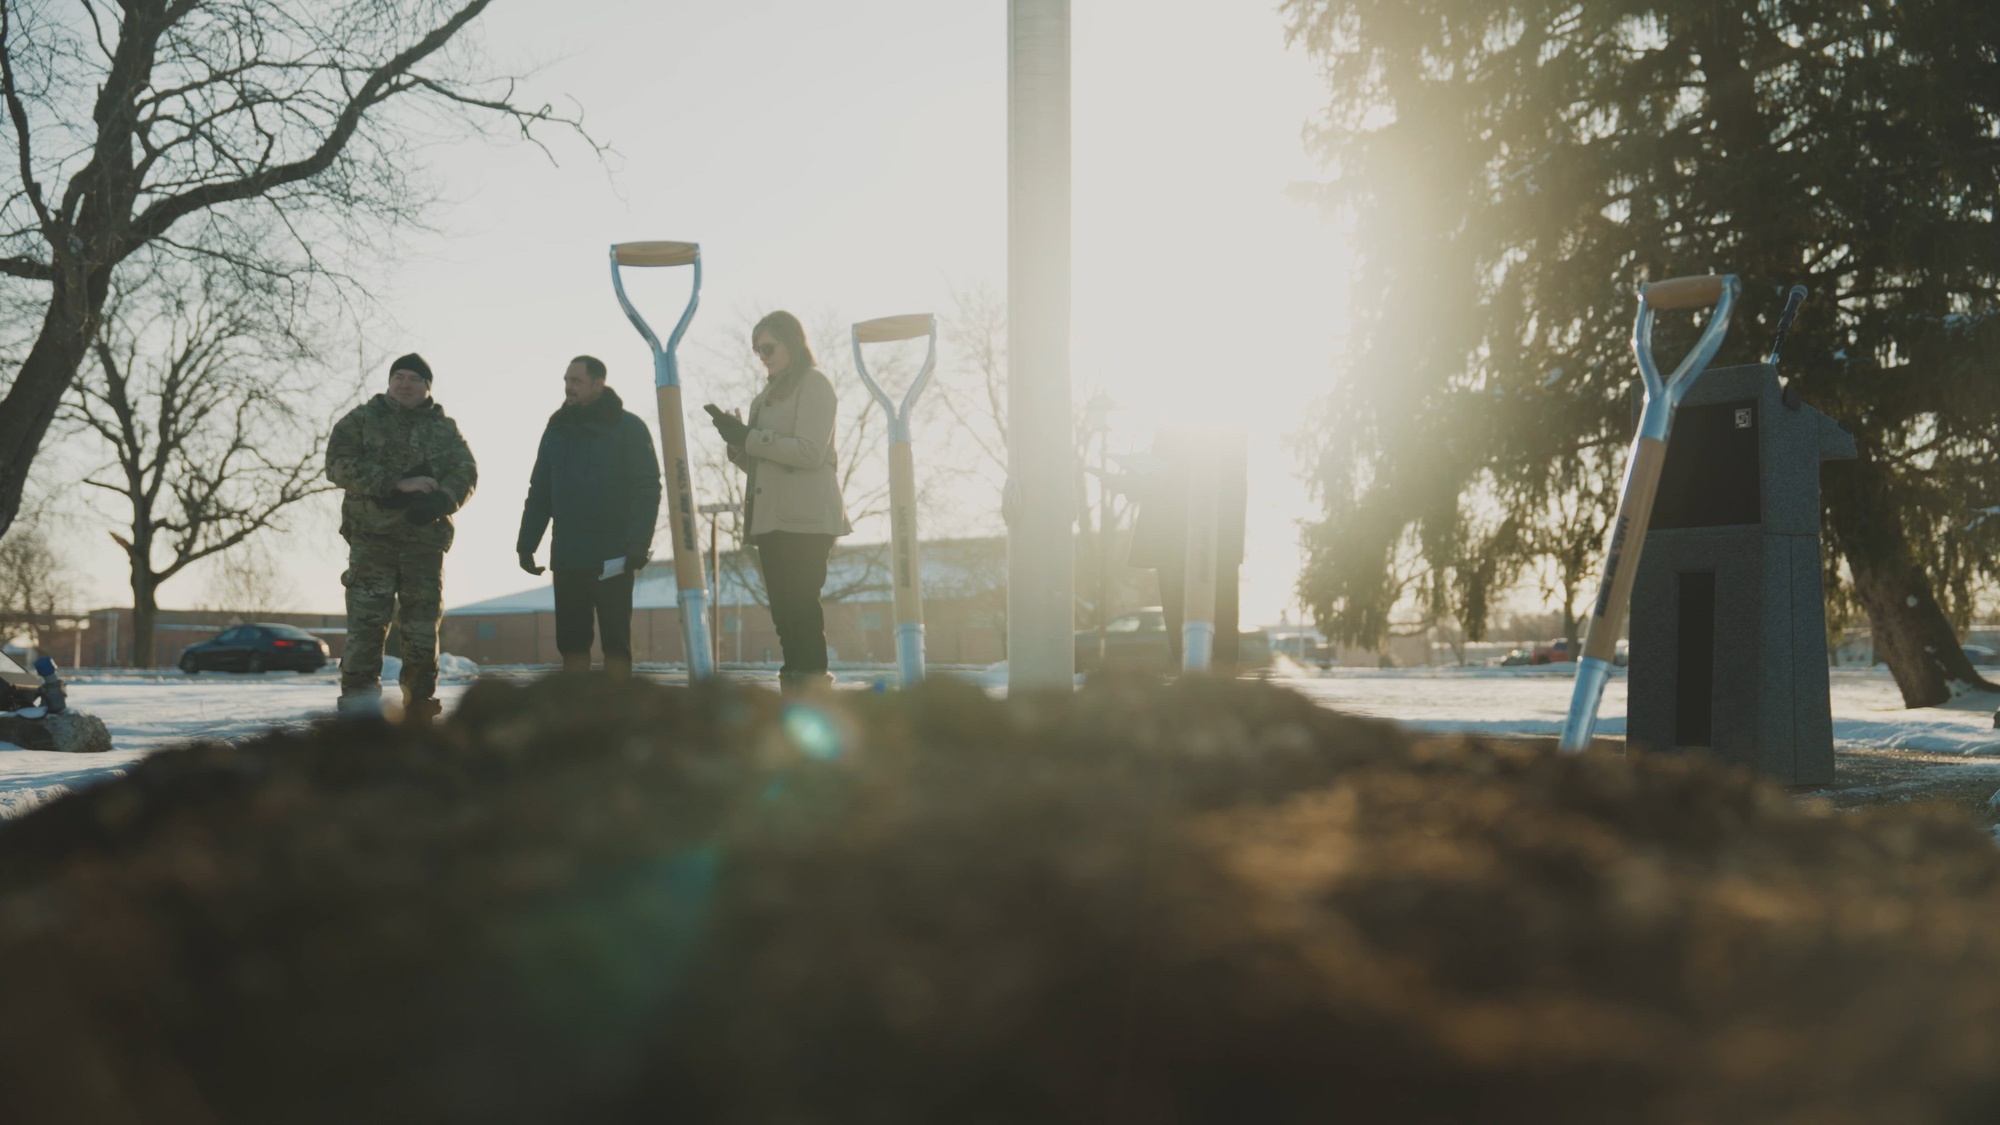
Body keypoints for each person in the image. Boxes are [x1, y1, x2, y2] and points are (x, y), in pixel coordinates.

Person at [324, 353, 478, 721]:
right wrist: (394, 483)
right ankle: (359, 711)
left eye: (414, 379)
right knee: (365, 629)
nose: (404, 384)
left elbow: (466, 470)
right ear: (390, 382)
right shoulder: (362, 420)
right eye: (399, 376)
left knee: (421, 630)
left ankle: (419, 707)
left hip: (423, 544)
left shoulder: (444, 428)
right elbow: (337, 464)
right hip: (371, 541)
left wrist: (443, 499)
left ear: (427, 387)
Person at [705, 311, 851, 693]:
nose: (763, 356)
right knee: (784, 615)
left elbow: (809, 452)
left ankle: (814, 693)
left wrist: (752, 438)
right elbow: (759, 465)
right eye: (757, 350)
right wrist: (735, 440)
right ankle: (794, 691)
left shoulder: (815, 384)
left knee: (802, 608)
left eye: (768, 347)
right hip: (770, 520)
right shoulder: (765, 396)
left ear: (792, 342)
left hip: (806, 519)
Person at [516, 355, 662, 677]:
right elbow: (540, 491)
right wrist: (526, 544)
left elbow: (646, 488)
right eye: (566, 380)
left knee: (615, 642)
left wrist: (638, 541)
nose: (569, 387)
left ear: (599, 384)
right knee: (571, 643)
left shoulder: (628, 429)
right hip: (567, 557)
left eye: (576, 381)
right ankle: (575, 714)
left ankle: (617, 709)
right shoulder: (556, 431)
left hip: (613, 556)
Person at [1122, 426, 1248, 672]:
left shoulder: (1228, 423)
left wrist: (1162, 478)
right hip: (1170, 541)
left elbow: (1228, 475)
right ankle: (1190, 689)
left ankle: (1217, 693)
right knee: (1178, 631)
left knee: (1219, 636)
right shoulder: (1168, 423)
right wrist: (1132, 483)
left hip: (1211, 540)